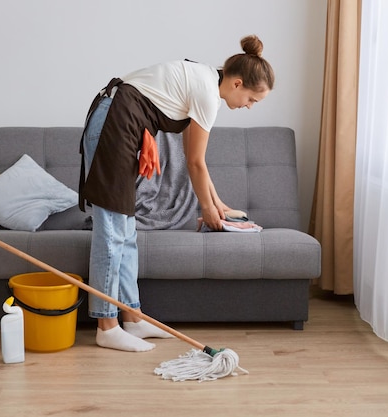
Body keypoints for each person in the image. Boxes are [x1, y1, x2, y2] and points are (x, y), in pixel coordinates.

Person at [79, 35, 275, 352]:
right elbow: (195, 163)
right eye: (253, 99)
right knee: (113, 229)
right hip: (113, 125)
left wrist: (218, 204)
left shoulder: (208, 81)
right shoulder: (207, 94)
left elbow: (195, 159)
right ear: (238, 84)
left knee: (126, 231)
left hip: (122, 122)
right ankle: (106, 325)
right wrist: (207, 209)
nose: (250, 106)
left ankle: (133, 317)